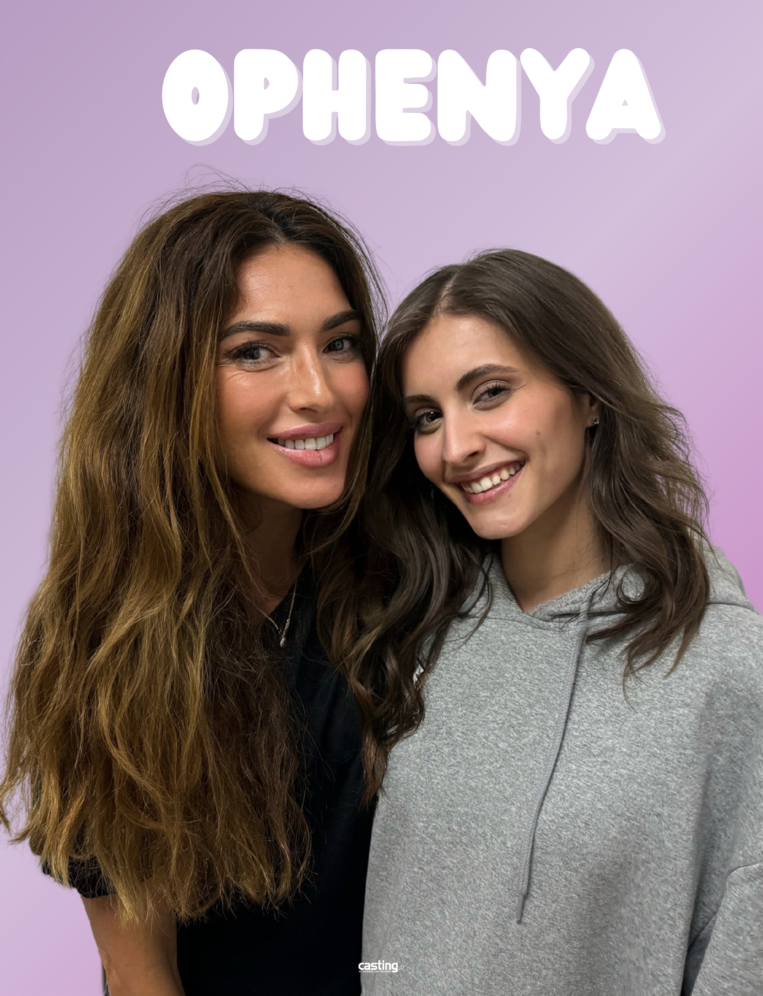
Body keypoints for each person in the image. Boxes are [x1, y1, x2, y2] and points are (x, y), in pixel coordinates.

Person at [0, 189, 385, 996]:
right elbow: (140, 973)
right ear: (166, 380)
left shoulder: (409, 577)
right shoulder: (103, 637)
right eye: (255, 351)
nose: (319, 390)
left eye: (340, 343)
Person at [348, 250, 762, 995]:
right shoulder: (415, 626)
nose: (456, 447)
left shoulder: (723, 666)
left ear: (589, 395)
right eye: (427, 417)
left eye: (491, 392)